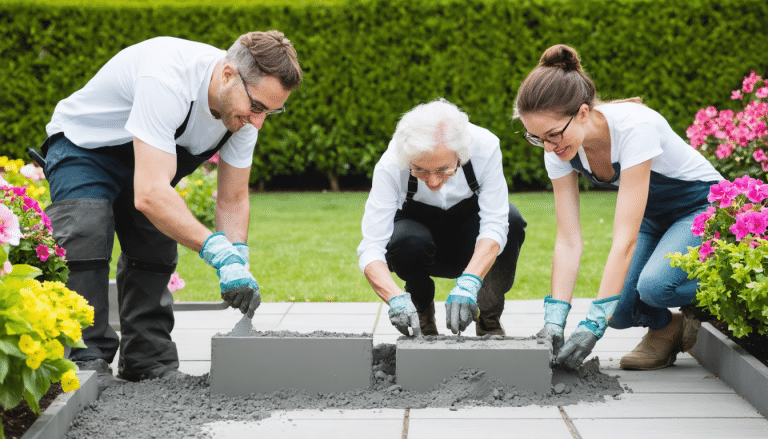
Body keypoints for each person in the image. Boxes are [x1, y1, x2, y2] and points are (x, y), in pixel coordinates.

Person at [40, 31, 302, 389]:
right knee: (85, 230)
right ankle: (84, 358)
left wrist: (237, 257)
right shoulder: (167, 77)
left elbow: (232, 200)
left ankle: (147, 359)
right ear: (227, 75)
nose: (258, 122)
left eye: (271, 112)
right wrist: (215, 250)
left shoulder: (243, 116)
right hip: (84, 149)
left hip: (148, 160)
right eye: (256, 108)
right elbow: (149, 193)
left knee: (156, 243)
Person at [514, 44, 723, 370]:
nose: (549, 148)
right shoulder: (559, 146)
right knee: (621, 311)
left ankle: (728, 289)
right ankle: (668, 328)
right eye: (537, 138)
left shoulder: (634, 127)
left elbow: (624, 239)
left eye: (553, 135)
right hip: (654, 218)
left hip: (700, 208)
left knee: (653, 287)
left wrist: (592, 324)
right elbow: (569, 240)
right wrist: (555, 319)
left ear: (582, 113)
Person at [358, 98, 527, 337]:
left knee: (511, 220)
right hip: (418, 244)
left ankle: (489, 319)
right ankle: (421, 316)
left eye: (443, 169)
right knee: (406, 240)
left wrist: (469, 281)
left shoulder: (485, 146)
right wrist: (394, 296)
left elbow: (495, 224)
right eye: (421, 170)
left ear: (460, 153)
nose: (434, 181)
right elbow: (371, 247)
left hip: (470, 239)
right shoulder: (391, 164)